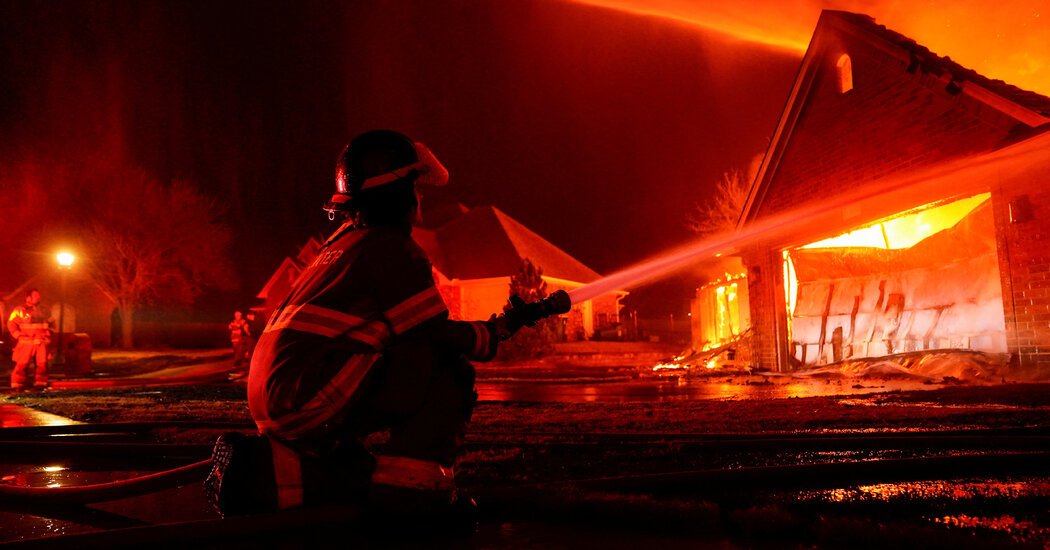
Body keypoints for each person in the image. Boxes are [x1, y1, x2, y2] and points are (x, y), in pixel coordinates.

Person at [239, 129, 567, 528]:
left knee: (388, 386)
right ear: (395, 194)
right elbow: (430, 335)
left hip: (277, 400)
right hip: (306, 399)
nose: (419, 200)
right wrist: (487, 336)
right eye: (415, 188)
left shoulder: (338, 248)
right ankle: (411, 499)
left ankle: (340, 478)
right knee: (449, 369)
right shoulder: (389, 247)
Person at [7, 289, 53, 390]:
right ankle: (17, 384)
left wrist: (49, 334)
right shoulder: (19, 310)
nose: (38, 297)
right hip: (26, 342)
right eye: (35, 295)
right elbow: (11, 323)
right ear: (28, 298)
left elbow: (52, 323)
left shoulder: (44, 310)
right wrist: (18, 335)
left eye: (38, 295)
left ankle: (40, 384)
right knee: (22, 364)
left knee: (42, 364)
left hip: (41, 342)